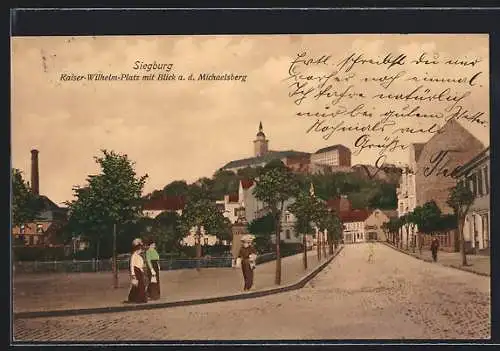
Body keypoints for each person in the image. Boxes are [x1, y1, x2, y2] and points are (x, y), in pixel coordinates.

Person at [127, 238, 148, 303]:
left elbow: (141, 265)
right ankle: (139, 298)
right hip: (136, 271)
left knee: (138, 285)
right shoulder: (134, 256)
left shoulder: (139, 256)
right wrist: (133, 274)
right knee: (139, 285)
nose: (141, 251)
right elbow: (132, 265)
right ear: (137, 249)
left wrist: (142, 270)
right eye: (140, 250)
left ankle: (134, 298)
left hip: (139, 271)